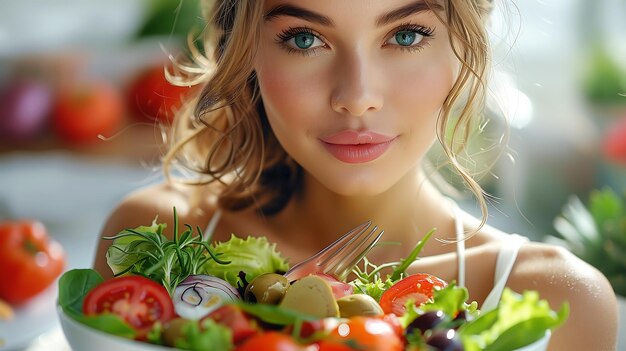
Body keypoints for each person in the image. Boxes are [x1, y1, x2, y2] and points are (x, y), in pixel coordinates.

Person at [93, 0, 618, 349]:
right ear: (243, 51)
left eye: (406, 35)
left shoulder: (558, 301)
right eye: (303, 39)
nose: (357, 95)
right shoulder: (152, 247)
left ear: (465, 46)